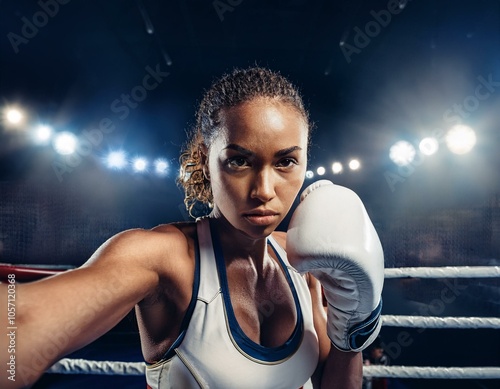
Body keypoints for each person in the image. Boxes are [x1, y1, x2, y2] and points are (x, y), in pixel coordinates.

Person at [0, 67, 384, 389]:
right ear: (205, 158)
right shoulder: (164, 258)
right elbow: (21, 323)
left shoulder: (303, 261)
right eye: (239, 161)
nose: (264, 191)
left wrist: (352, 333)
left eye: (285, 162)